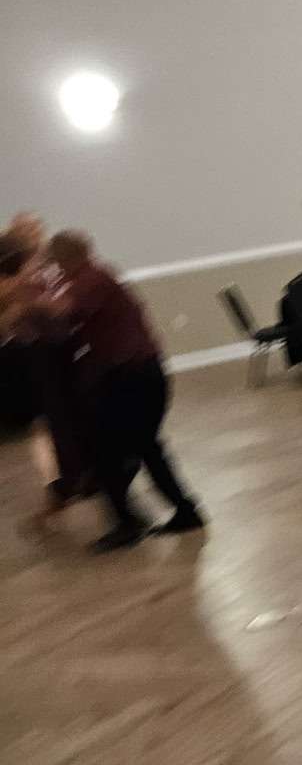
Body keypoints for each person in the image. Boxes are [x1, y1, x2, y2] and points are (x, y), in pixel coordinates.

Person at [44, 230, 205, 553]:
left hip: (133, 378)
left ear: (65, 258)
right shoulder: (96, 276)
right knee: (142, 448)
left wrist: (22, 299)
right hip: (140, 375)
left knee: (111, 452)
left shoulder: (91, 280)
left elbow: (62, 312)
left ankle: (131, 522)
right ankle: (181, 512)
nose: (55, 268)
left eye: (56, 262)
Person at [0, 215, 95, 516]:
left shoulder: (48, 268)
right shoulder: (19, 273)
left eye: (35, 228)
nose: (33, 234)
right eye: (26, 230)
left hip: (51, 355)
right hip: (31, 359)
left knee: (66, 420)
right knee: (57, 422)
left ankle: (78, 477)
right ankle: (73, 479)